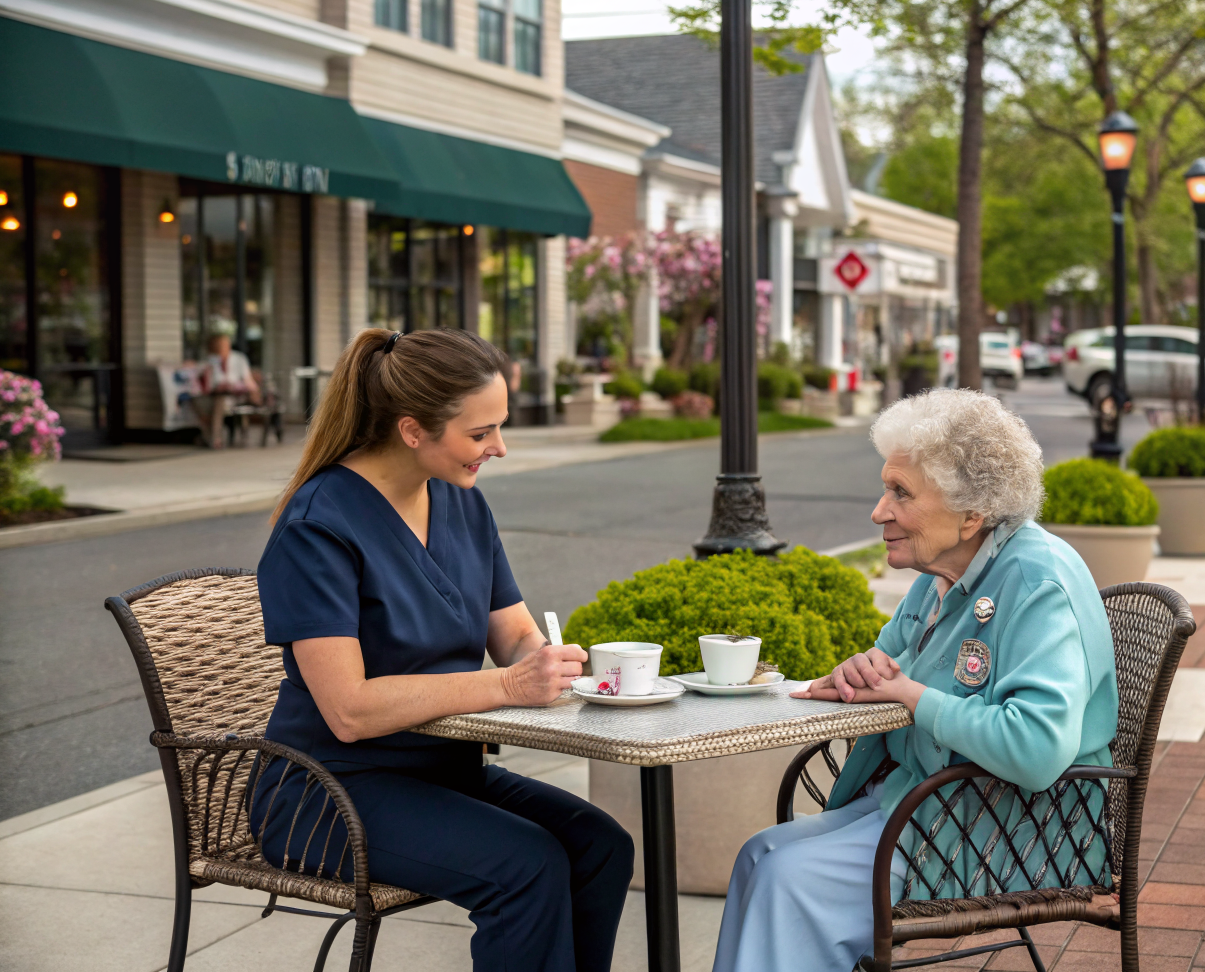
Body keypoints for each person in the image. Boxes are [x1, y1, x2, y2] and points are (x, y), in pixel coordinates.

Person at [252, 327, 633, 972]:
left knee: (600, 845)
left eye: (500, 427)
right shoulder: (317, 527)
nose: (499, 448)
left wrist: (548, 663)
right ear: (411, 430)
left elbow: (512, 635)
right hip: (329, 792)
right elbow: (349, 710)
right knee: (526, 865)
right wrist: (507, 686)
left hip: (442, 774)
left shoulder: (461, 502)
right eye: (481, 433)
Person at [712, 388, 1120, 972]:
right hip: (927, 800)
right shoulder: (940, 575)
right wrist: (857, 672)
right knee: (759, 855)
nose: (879, 511)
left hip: (1013, 829)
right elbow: (887, 666)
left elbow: (1036, 750)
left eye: (901, 493)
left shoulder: (1037, 584)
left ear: (972, 512)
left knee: (785, 879)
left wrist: (911, 695)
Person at [197, 333, 260, 448]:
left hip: (237, 395)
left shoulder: (239, 358)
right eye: (219, 345)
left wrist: (253, 391)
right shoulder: (211, 360)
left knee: (219, 403)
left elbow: (247, 380)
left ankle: (214, 438)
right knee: (210, 402)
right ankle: (211, 437)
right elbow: (210, 381)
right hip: (216, 395)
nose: (224, 347)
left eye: (225, 344)